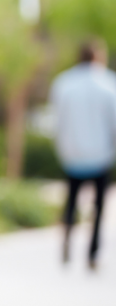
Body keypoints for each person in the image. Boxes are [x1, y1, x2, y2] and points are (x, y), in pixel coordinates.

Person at [50, 37, 115, 270]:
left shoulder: (63, 83)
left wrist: (62, 147)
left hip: (72, 154)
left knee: (71, 201)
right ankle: (93, 254)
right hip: (100, 155)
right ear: (98, 56)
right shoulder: (108, 83)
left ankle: (67, 235)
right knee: (98, 207)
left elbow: (57, 121)